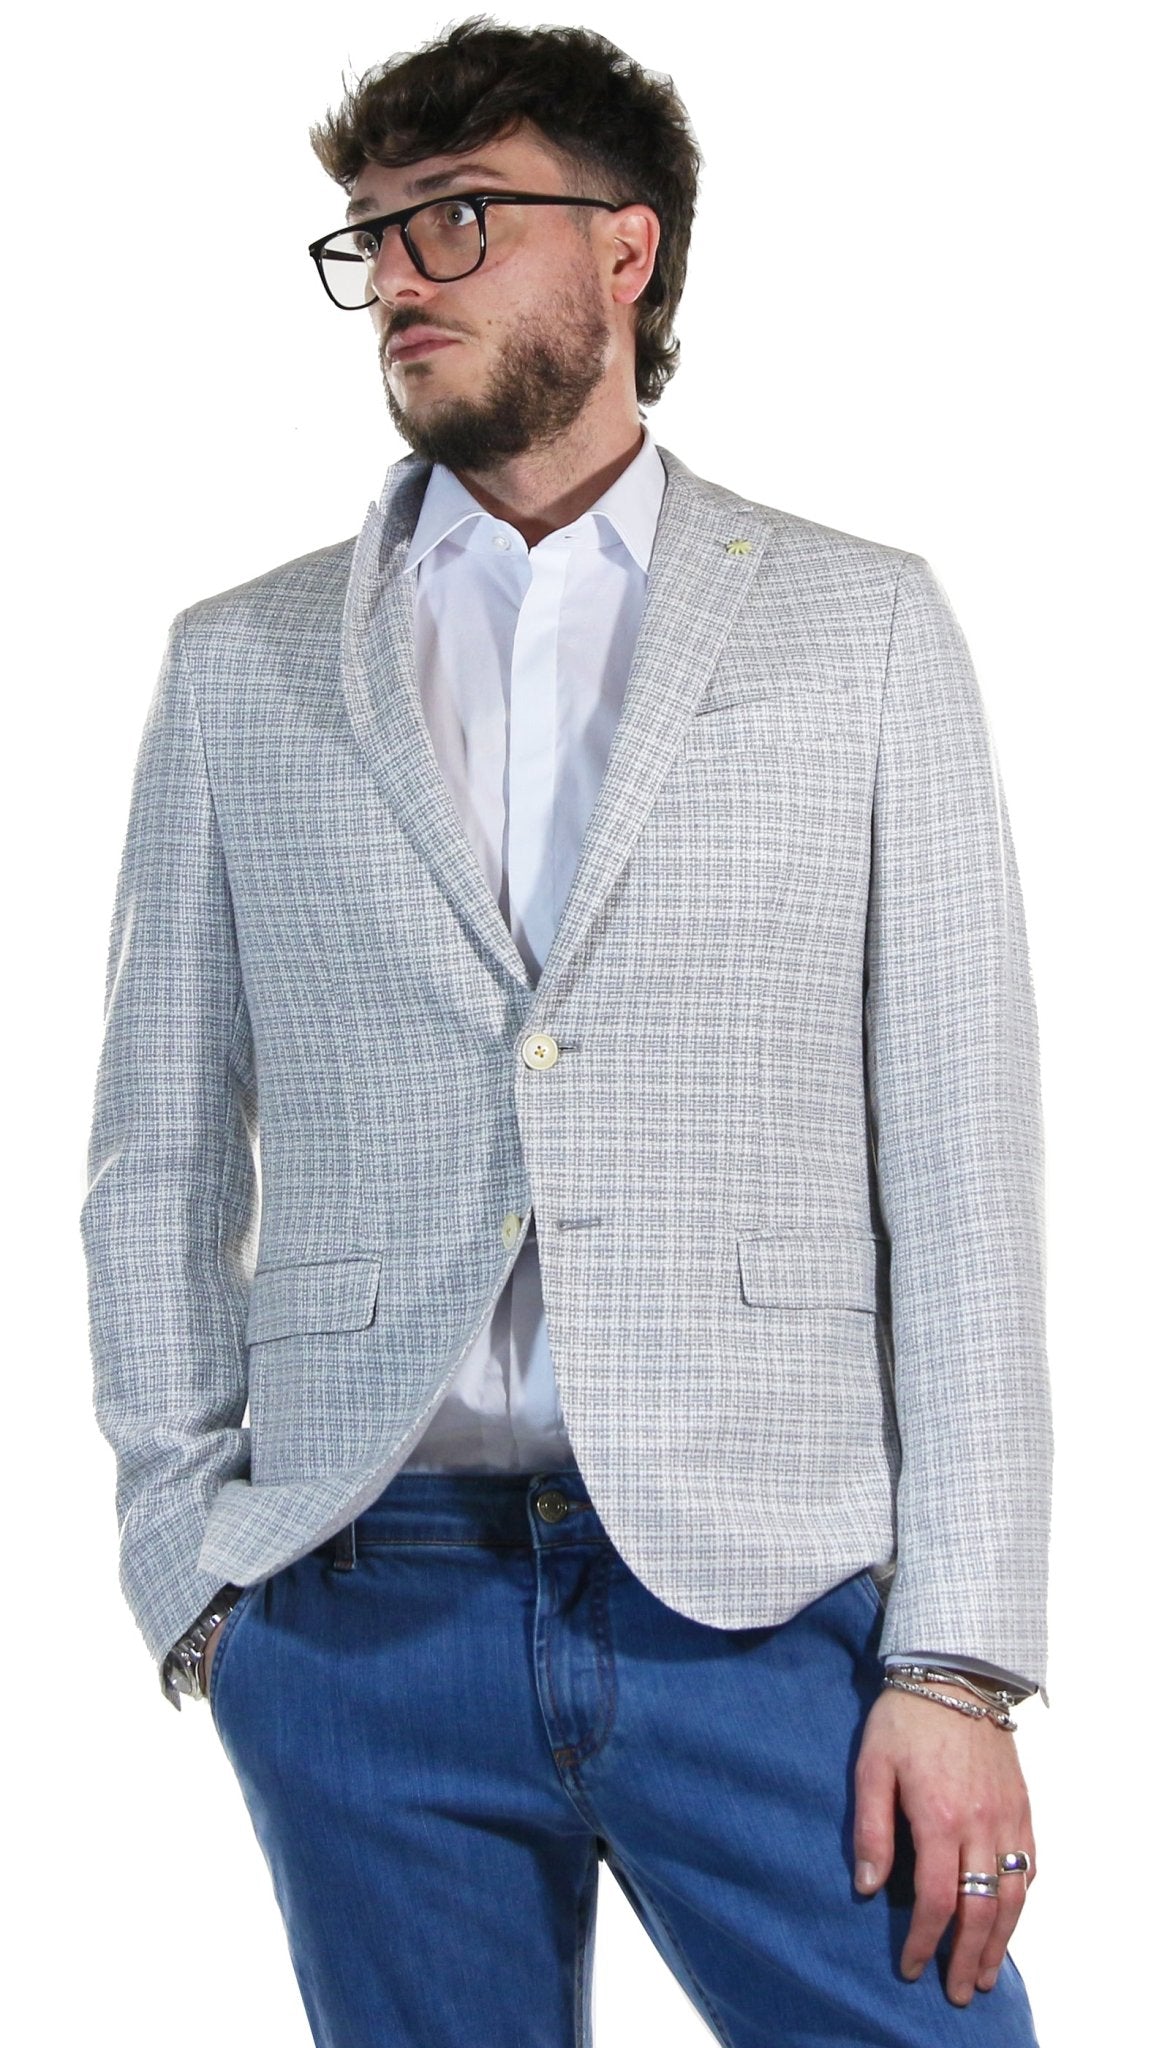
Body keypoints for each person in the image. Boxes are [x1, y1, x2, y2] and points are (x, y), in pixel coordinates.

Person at [79, 18, 1052, 2046]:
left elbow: (962, 1169)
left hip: (765, 1600)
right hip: (365, 1602)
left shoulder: (861, 626)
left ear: (628, 248)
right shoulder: (242, 663)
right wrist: (195, 1569)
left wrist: (957, 1661)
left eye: (455, 218)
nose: (397, 276)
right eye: (369, 237)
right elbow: (156, 1147)